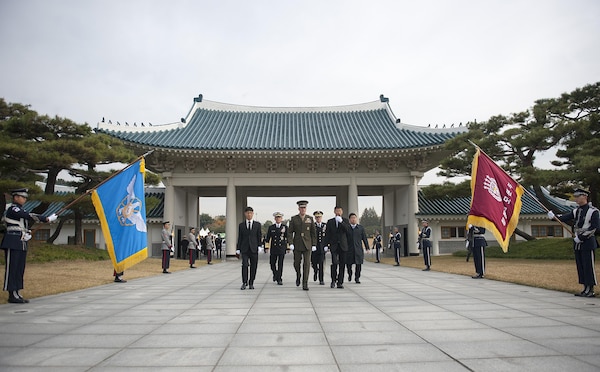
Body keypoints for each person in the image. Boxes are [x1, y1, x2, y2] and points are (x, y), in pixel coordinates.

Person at [1, 188, 57, 303]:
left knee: (19, 268)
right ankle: (11, 293)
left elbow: (23, 224)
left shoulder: (20, 209)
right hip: (12, 241)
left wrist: (27, 232)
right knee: (12, 268)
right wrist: (45, 219)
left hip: (21, 241)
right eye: (22, 197)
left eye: (25, 197)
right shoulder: (13, 208)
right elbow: (27, 215)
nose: (24, 199)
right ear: (16, 197)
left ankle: (17, 291)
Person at [548, 188, 599, 297]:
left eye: (577, 196)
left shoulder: (593, 211)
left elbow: (594, 227)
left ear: (584, 196)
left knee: (588, 266)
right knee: (581, 266)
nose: (575, 198)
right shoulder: (576, 210)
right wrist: (554, 217)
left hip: (587, 241)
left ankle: (590, 289)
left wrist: (581, 237)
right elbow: (565, 217)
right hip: (577, 242)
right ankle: (585, 287)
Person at [288, 200, 317, 290]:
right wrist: (291, 243)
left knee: (307, 264)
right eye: (301, 208)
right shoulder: (294, 219)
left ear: (306, 208)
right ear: (298, 208)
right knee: (297, 263)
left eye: (304, 208)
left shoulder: (310, 218)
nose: (303, 209)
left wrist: (314, 244)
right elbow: (289, 232)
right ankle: (298, 275)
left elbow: (313, 233)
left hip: (307, 244)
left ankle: (305, 283)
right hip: (297, 244)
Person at [324, 206, 350, 288]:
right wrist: (326, 245)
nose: (338, 212)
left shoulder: (345, 221)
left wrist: (341, 222)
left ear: (342, 212)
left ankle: (340, 282)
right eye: (337, 211)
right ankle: (333, 280)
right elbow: (327, 234)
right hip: (334, 245)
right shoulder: (330, 221)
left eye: (340, 211)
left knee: (342, 264)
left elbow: (348, 231)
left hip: (343, 245)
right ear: (334, 211)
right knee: (334, 263)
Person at [236, 206, 262, 290]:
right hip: (245, 248)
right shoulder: (241, 225)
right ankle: (244, 282)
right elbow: (240, 237)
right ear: (245, 214)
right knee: (245, 265)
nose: (249, 214)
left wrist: (260, 246)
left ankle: (251, 282)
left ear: (253, 214)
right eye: (247, 213)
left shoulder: (257, 225)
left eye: (250, 213)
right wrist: (238, 248)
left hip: (254, 248)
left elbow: (259, 236)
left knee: (254, 266)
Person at [264, 212, 287, 285]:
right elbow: (268, 238)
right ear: (274, 218)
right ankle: (275, 274)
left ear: (281, 219)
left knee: (280, 264)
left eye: (279, 217)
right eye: (277, 217)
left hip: (281, 248)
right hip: (274, 248)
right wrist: (266, 247)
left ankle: (279, 278)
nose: (278, 219)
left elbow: (287, 237)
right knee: (272, 263)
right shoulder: (271, 227)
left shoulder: (284, 227)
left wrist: (288, 247)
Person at [346, 213, 370, 284]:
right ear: (349, 220)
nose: (353, 219)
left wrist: (367, 248)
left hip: (358, 249)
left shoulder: (360, 228)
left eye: (354, 218)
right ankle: (350, 274)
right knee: (348, 264)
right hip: (349, 249)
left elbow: (364, 238)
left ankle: (357, 278)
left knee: (358, 264)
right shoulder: (347, 228)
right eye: (352, 218)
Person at [312, 211, 327, 285]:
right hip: (314, 248)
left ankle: (321, 279)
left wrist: (327, 245)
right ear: (315, 218)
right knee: (314, 263)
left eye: (319, 217)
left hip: (322, 248)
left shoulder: (325, 225)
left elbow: (327, 236)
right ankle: (315, 271)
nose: (318, 218)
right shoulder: (313, 226)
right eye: (317, 217)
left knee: (321, 264)